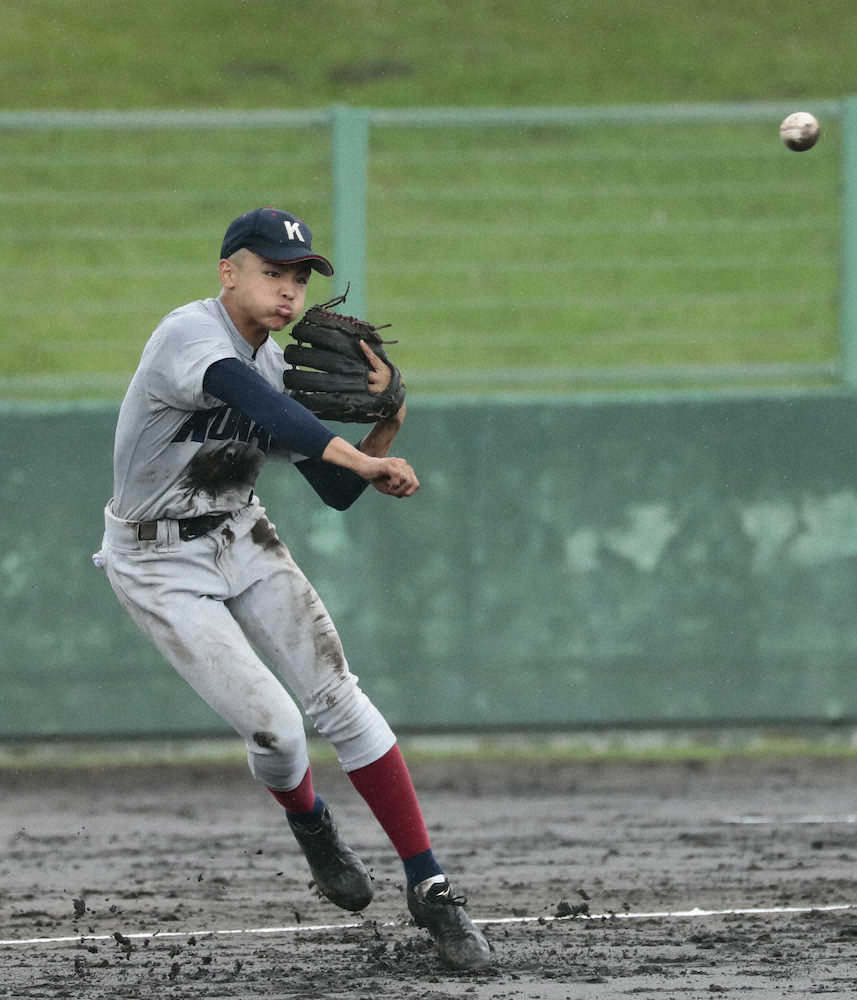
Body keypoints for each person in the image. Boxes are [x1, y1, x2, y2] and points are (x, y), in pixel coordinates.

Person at [95, 207, 491, 971]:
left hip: (240, 534)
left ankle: (431, 886)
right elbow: (261, 405)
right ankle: (311, 822)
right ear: (227, 272)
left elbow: (334, 490)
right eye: (272, 272)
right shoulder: (191, 337)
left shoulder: (274, 364)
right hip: (156, 561)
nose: (288, 292)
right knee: (277, 729)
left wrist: (387, 428)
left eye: (299, 278)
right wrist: (361, 457)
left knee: (339, 696)